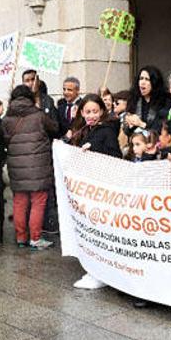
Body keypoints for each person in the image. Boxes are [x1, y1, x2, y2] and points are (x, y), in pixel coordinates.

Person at [70, 93, 121, 290]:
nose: (91, 115)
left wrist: (94, 151)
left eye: (95, 111)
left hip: (102, 188)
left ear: (102, 112)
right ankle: (94, 269)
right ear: (82, 112)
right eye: (87, 111)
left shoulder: (106, 131)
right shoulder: (84, 129)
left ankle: (100, 272)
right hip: (89, 187)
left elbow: (115, 156)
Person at [3, 85, 58, 250]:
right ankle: (35, 238)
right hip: (38, 166)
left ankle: (21, 237)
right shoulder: (39, 115)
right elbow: (54, 128)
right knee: (38, 202)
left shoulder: (6, 119)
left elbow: (4, 140)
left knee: (19, 202)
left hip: (16, 167)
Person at [123, 66, 171, 135]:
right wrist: (129, 124)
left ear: (154, 82)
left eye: (147, 79)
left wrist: (142, 124)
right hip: (136, 141)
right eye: (141, 78)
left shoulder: (165, 101)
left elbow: (162, 127)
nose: (143, 82)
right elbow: (126, 130)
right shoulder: (134, 99)